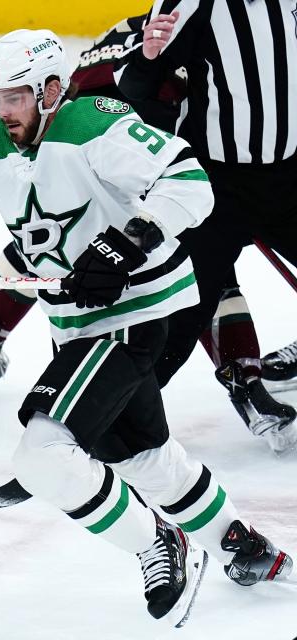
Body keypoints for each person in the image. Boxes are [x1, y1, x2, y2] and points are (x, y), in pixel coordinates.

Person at [0, 29, 292, 625]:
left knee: (43, 454)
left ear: (51, 90)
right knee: (141, 455)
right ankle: (241, 543)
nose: (5, 110)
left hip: (133, 315)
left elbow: (188, 183)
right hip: (76, 324)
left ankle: (157, 541)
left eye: (17, 97)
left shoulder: (93, 124)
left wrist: (125, 245)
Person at [0, 15, 296, 453]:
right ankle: (247, 387)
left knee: (45, 245)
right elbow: (105, 111)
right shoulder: (164, 50)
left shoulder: (154, 34)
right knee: (58, 247)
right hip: (108, 170)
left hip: (140, 170)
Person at [115, 1, 297, 453]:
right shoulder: (193, 3)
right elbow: (134, 86)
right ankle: (114, 417)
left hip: (291, 182)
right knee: (178, 316)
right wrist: (148, 57)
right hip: (216, 188)